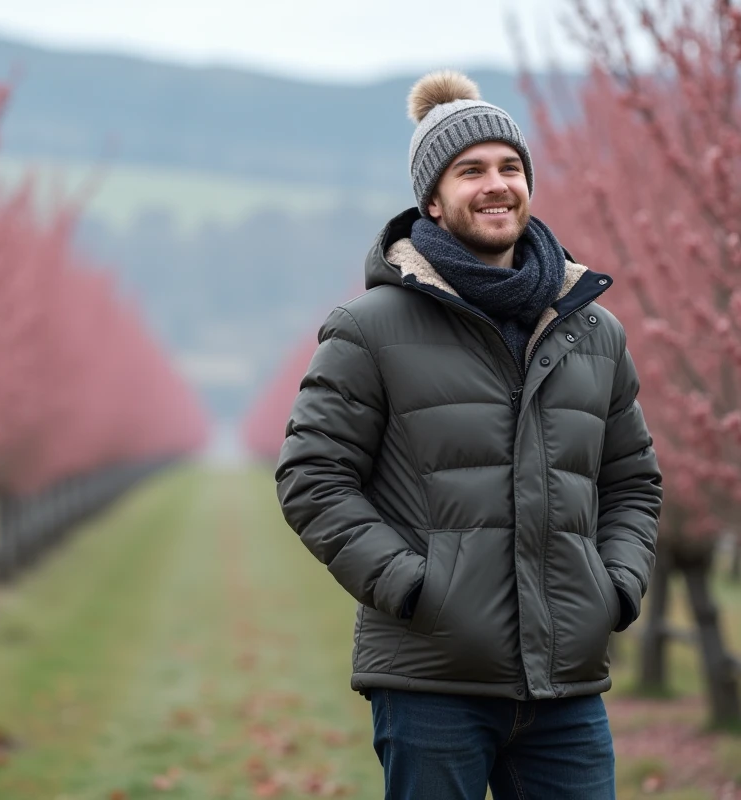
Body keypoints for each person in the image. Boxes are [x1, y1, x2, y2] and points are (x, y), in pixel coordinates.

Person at [274, 70, 663, 799]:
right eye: (471, 171)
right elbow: (311, 478)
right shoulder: (370, 329)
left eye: (510, 167)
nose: (496, 185)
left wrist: (614, 589)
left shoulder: (594, 332)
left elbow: (633, 481)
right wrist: (415, 587)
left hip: (567, 689)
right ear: (432, 199)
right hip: (430, 682)